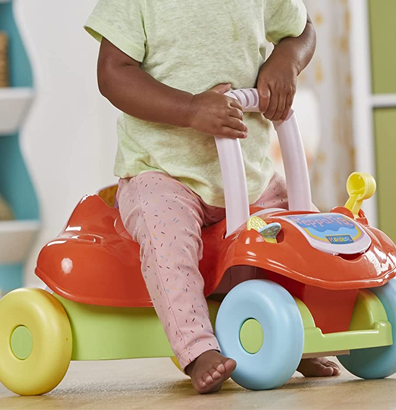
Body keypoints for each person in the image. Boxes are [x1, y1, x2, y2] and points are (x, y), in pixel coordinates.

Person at [85, 0, 340, 394]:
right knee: (167, 238)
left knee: (302, 231)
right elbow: (112, 74)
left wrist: (286, 61)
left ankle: (297, 330)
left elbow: (302, 29)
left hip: (249, 175)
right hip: (162, 171)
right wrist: (189, 109)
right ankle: (197, 348)